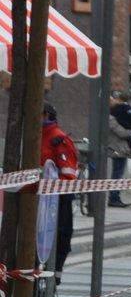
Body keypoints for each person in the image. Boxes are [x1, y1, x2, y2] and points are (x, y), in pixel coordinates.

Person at [41, 102, 78, 273]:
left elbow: (69, 174)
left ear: (46, 115)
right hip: (38, 201)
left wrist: (47, 187)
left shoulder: (58, 139)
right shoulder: (35, 135)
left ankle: (53, 280)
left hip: (57, 202)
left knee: (59, 239)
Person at [107, 90, 131, 207]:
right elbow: (122, 133)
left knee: (118, 173)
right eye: (113, 99)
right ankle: (113, 198)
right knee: (117, 174)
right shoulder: (111, 118)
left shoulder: (115, 115)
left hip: (119, 148)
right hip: (117, 149)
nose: (114, 102)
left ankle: (115, 197)